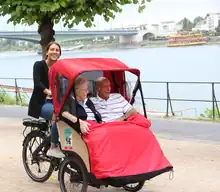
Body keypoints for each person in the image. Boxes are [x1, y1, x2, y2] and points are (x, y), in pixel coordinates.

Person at [47, 76, 102, 157]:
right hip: (72, 128)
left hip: (91, 128)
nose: (87, 92)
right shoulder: (69, 100)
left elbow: (96, 115)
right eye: (85, 90)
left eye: (88, 89)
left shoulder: (87, 100)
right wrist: (79, 122)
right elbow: (64, 113)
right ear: (77, 90)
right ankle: (54, 148)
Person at [28, 41, 63, 158]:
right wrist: (49, 92)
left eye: (57, 50)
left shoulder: (60, 67)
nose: (54, 52)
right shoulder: (39, 65)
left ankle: (65, 145)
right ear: (47, 52)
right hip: (42, 102)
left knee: (71, 116)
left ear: (60, 53)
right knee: (57, 116)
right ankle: (53, 146)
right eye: (52, 49)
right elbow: (37, 83)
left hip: (57, 102)